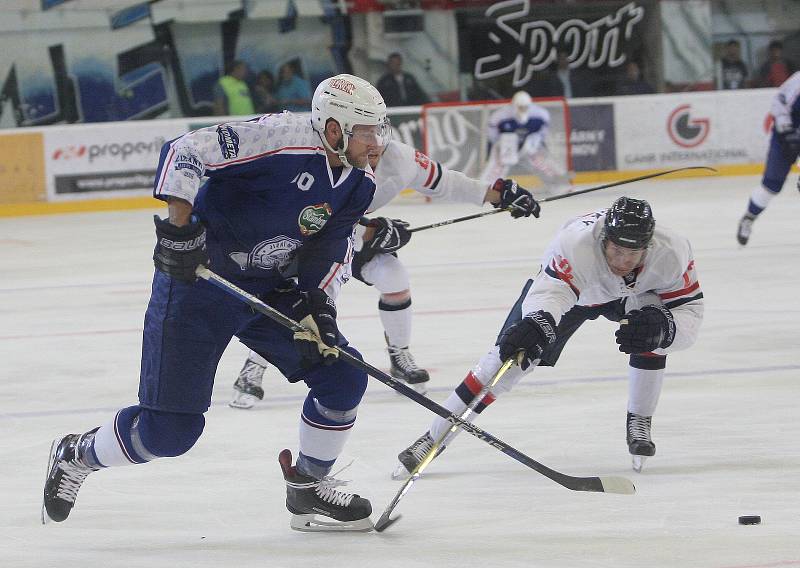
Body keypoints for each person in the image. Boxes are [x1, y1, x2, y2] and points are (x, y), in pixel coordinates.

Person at [42, 74, 393, 532]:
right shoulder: (278, 137)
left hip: (267, 288)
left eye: (381, 130)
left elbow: (328, 248)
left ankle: (307, 488)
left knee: (343, 376)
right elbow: (185, 150)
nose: (378, 143)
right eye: (369, 132)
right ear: (334, 129)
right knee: (168, 434)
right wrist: (180, 229)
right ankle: (77, 454)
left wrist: (319, 309)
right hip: (198, 286)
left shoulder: (358, 183)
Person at [394, 197, 704, 476]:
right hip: (575, 295)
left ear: (647, 247)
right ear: (604, 240)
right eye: (617, 250)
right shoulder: (574, 245)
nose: (623, 262)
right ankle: (433, 437)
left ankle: (640, 420)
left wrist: (667, 328)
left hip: (633, 295)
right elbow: (550, 295)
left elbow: (690, 313)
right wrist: (539, 321)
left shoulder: (672, 252)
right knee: (504, 361)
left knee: (652, 330)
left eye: (633, 253)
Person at [231, 136, 542, 408]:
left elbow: (444, 181)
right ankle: (254, 364)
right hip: (305, 244)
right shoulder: (324, 159)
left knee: (394, 279)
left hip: (345, 241)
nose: (372, 151)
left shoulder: (400, 159)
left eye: (378, 144)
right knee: (300, 305)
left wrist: (497, 194)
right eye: (365, 142)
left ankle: (399, 354)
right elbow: (313, 216)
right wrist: (371, 231)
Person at [737, 71, 800, 245]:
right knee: (771, 186)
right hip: (785, 137)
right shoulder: (798, 81)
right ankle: (749, 218)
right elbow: (779, 101)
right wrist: (787, 131)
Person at [479, 91, 571, 194]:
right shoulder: (500, 116)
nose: (522, 110)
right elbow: (492, 133)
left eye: (525, 107)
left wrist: (536, 139)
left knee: (541, 162)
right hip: (507, 144)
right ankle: (486, 189)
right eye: (520, 107)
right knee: (497, 165)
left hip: (529, 144)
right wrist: (500, 143)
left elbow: (543, 131)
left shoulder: (540, 115)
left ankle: (559, 184)